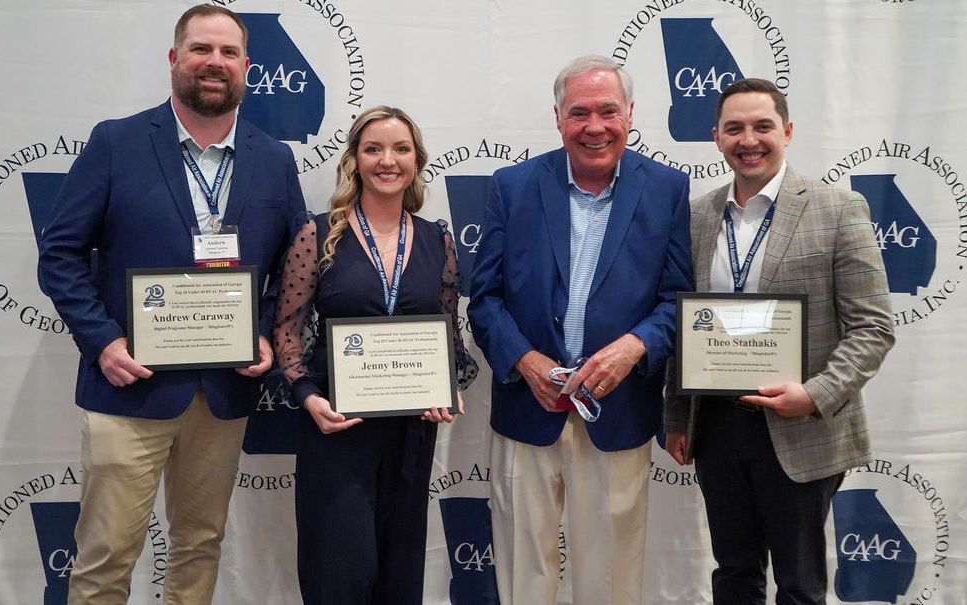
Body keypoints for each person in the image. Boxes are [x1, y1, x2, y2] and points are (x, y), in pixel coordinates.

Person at [38, 5, 305, 603]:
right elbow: (60, 254)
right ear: (174, 59)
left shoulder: (275, 158)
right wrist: (103, 342)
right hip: (129, 386)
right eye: (201, 49)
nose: (215, 63)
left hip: (222, 391)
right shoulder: (117, 141)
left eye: (229, 53)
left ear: (247, 68)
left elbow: (295, 266)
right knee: (107, 555)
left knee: (200, 543)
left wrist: (263, 330)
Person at [467, 55, 692, 604]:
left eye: (608, 111)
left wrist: (634, 347)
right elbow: (485, 298)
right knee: (524, 570)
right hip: (528, 407)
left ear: (631, 114)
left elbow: (677, 301)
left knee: (611, 576)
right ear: (558, 117)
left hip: (618, 409)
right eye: (580, 113)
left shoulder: (667, 189)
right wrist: (526, 361)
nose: (595, 127)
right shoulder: (513, 186)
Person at [663, 78, 895, 604]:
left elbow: (874, 326)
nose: (750, 139)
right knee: (734, 572)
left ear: (787, 131)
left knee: (799, 584)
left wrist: (814, 394)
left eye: (763, 126)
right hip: (717, 425)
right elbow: (684, 326)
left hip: (801, 426)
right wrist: (678, 417)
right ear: (716, 138)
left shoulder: (838, 209)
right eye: (735, 128)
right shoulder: (695, 217)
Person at [273, 105, 478, 605]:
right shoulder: (317, 234)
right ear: (354, 160)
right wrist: (307, 397)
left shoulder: (437, 240)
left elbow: (448, 334)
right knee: (339, 567)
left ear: (416, 160)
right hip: (338, 427)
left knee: (398, 567)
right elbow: (286, 331)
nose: (388, 160)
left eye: (401, 149)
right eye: (374, 149)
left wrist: (447, 387)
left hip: (412, 430)